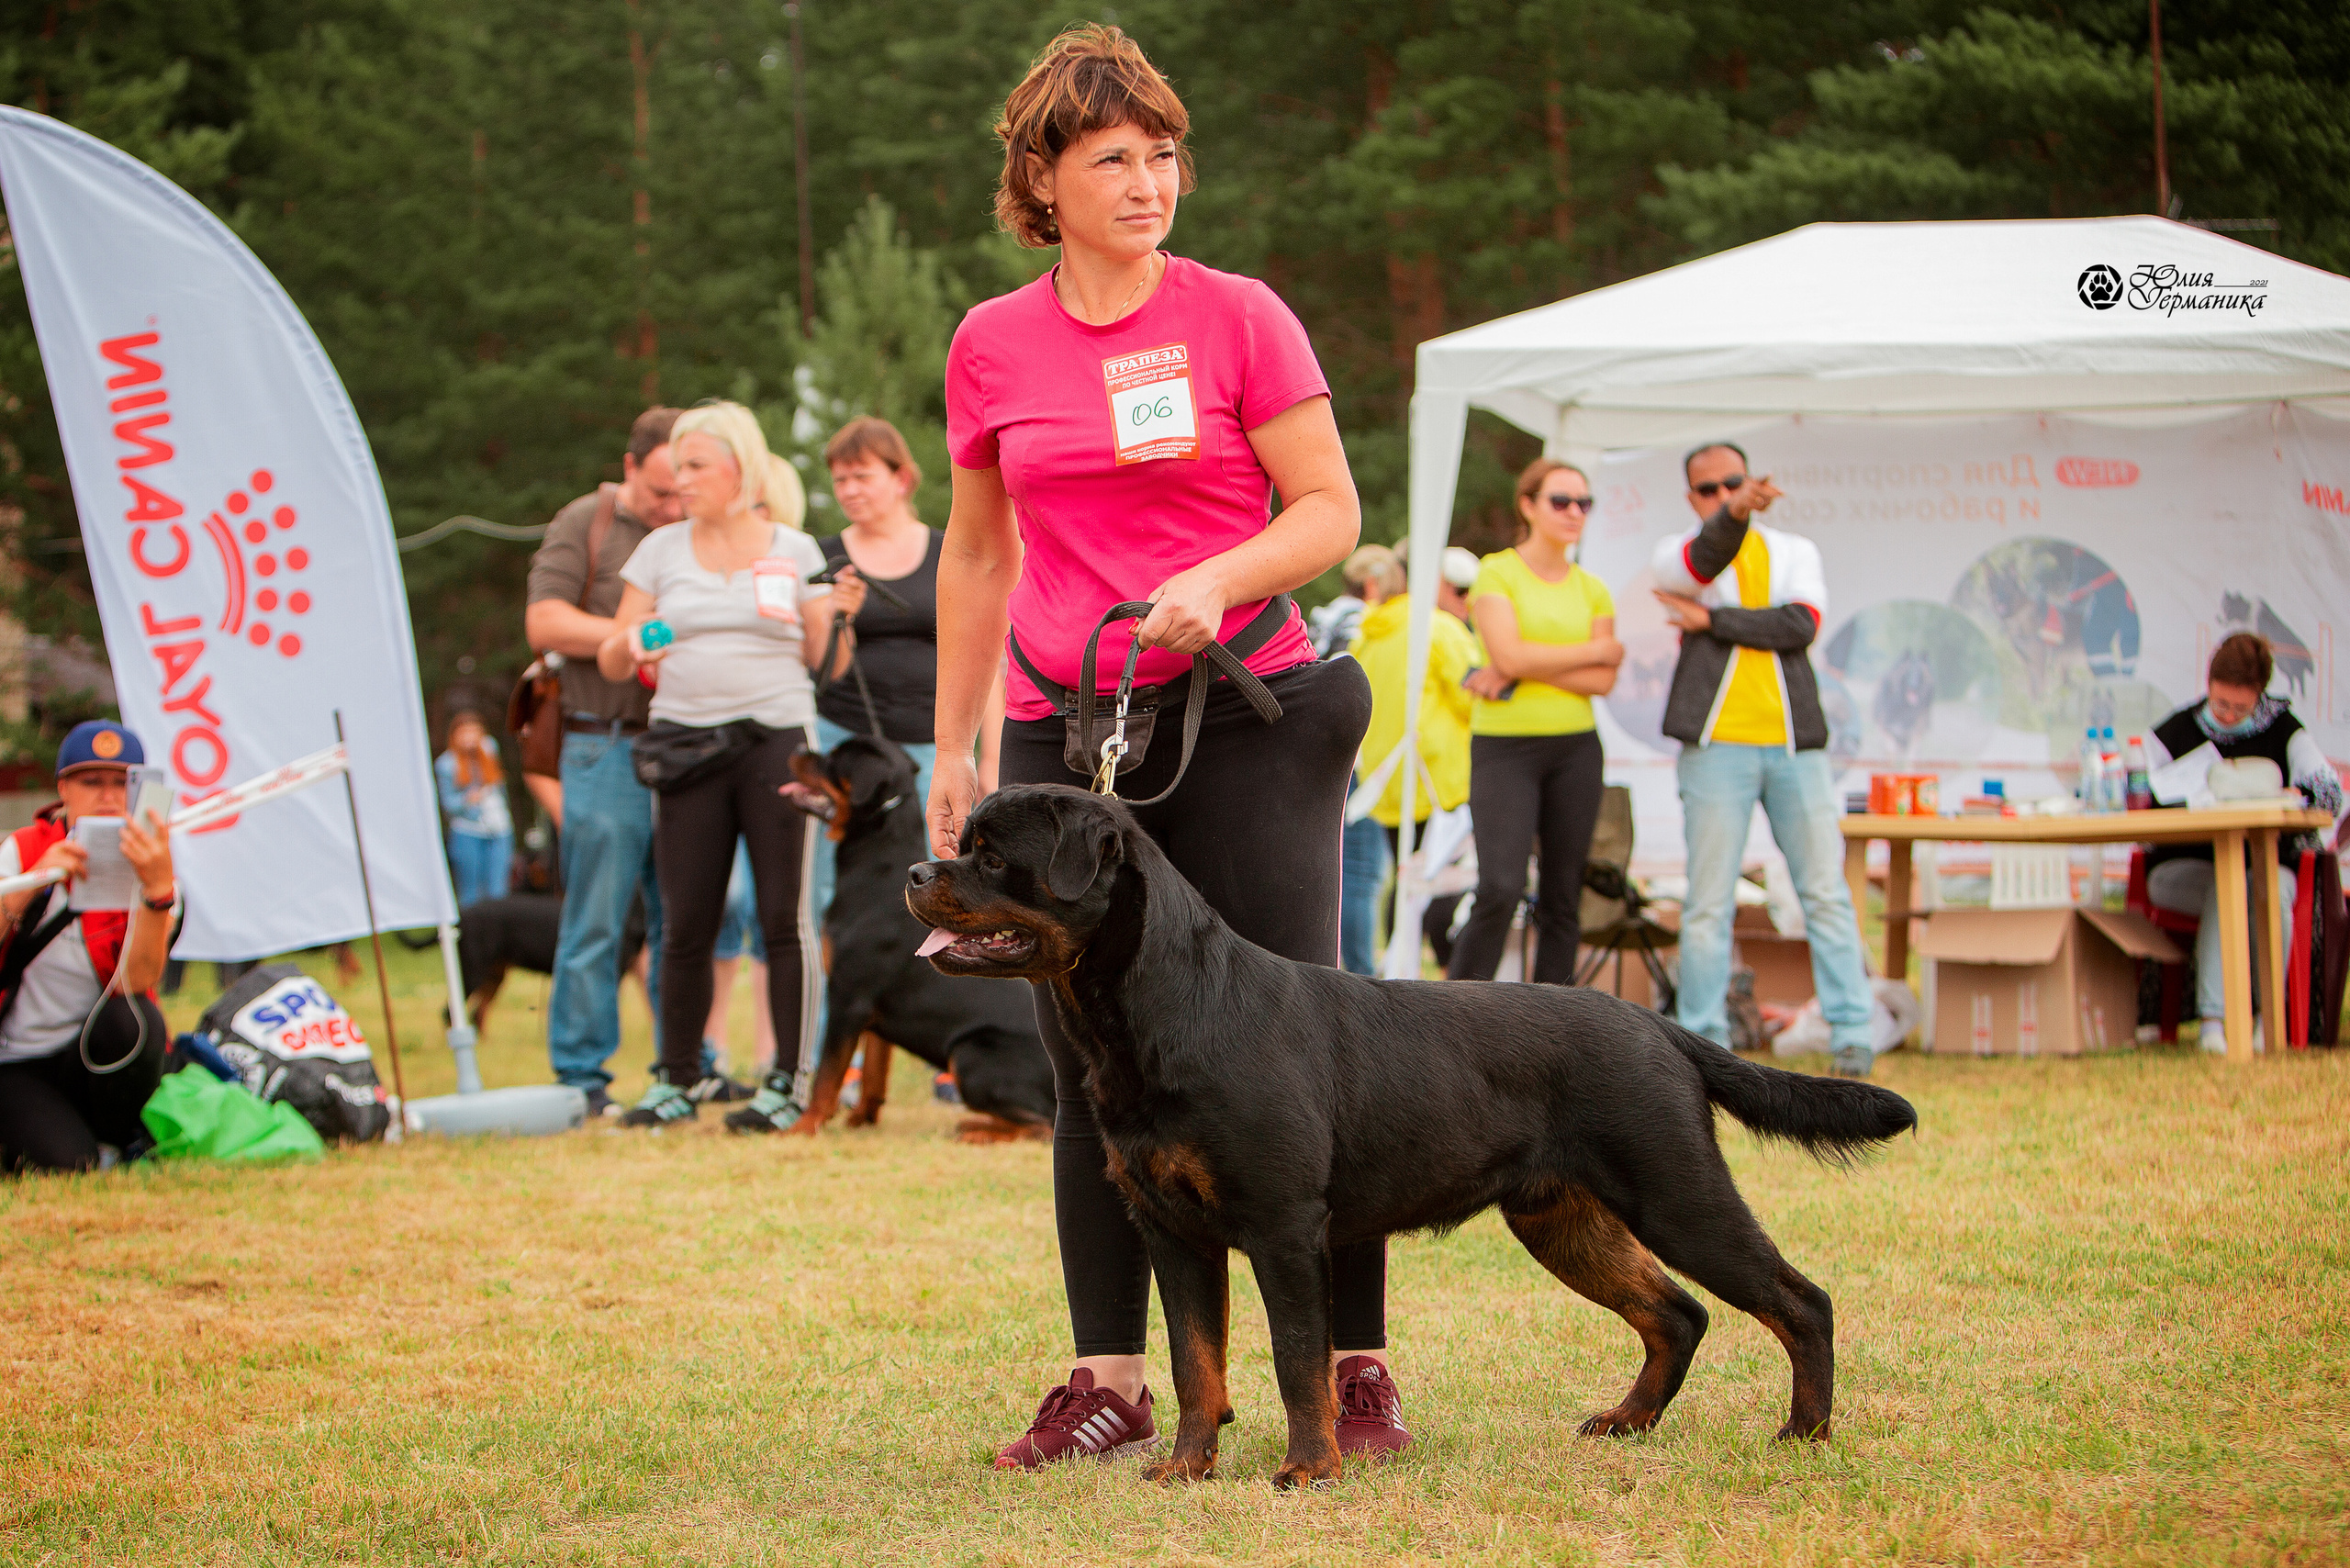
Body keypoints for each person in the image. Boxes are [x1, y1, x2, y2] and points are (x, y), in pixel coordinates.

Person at [930, 25, 1406, 1470]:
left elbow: (1328, 507)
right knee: (1093, 1063)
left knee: (1302, 1047)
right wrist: (954, 748)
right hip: (1064, 731)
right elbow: (974, 552)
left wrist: (1222, 580)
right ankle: (1112, 1381)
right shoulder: (990, 342)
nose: (1150, 183)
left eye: (1164, 155)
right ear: (1044, 181)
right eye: (1113, 159)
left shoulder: (1238, 313)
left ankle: (1358, 1372)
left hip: (1250, 707)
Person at [599, 399, 865, 1131]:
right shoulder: (660, 550)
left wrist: (838, 613)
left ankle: (788, 1081)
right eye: (676, 466)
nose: (679, 480)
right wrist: (634, 650)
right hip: (684, 745)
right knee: (685, 921)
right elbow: (612, 649)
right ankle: (676, 1080)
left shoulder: (795, 548)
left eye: (694, 466)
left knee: (786, 918)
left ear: (739, 468)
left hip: (776, 744)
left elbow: (828, 664)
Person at [1651, 442, 1876, 1077]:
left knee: (1824, 892)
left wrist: (1713, 620)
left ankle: (1852, 1034)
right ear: (1692, 498)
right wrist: (1734, 524)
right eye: (1710, 489)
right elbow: (1704, 558)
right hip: (1715, 748)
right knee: (1708, 902)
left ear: (1750, 481)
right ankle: (1703, 1043)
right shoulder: (1675, 555)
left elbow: (1799, 628)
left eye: (1734, 484)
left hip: (1792, 747)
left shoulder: (1794, 550)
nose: (1724, 496)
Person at [524, 406, 686, 1117]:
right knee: (597, 919)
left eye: (682, 491)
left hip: (684, 748)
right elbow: (544, 621)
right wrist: (630, 637)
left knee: (684, 920)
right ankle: (581, 1077)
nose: (670, 506)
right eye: (658, 492)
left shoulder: (693, 530)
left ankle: (685, 1066)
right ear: (629, 468)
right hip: (605, 743)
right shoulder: (584, 523)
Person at [809, 417, 1002, 923]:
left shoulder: (946, 552)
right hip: (846, 748)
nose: (849, 490)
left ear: (901, 478)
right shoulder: (825, 557)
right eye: (840, 479)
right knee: (832, 892)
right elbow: (823, 668)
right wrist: (839, 615)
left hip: (929, 746)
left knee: (936, 887)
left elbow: (989, 657)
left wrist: (990, 759)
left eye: (862, 476)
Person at [1448, 458, 1622, 983]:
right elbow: (1513, 654)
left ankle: (1556, 1034)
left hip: (1577, 748)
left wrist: (1521, 667)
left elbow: (1603, 681)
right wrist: (1594, 649)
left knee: (1563, 897)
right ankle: (1446, 1021)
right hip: (1505, 750)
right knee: (1500, 888)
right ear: (1528, 505)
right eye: (1560, 501)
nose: (1574, 512)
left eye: (1584, 503)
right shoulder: (1497, 571)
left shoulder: (1593, 587)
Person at [2143, 633, 2345, 1050]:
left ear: (2260, 695)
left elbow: (2330, 792)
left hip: (2270, 866)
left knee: (2259, 888)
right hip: (2183, 870)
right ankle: (2219, 1020)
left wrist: (2298, 795)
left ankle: (2258, 1018)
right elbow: (2146, 808)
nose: (2230, 716)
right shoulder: (2173, 733)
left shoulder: (2285, 731)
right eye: (2221, 705)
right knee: (2228, 881)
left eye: (2241, 707)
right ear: (2208, 685)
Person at [0, 722, 177, 1173]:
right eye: (91, 781)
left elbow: (137, 984)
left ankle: (116, 1138)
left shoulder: (156, 864)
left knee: (139, 1023)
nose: (108, 796)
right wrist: (33, 883)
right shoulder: (21, 850)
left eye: (123, 782)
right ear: (63, 790)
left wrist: (156, 893)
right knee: (68, 1166)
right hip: (17, 1059)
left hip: (89, 1055)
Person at [1344, 545, 1479, 975]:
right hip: (1442, 785)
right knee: (1443, 895)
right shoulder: (1439, 629)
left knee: (1406, 891)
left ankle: (1396, 986)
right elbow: (1477, 701)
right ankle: (1456, 996)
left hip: (1388, 785)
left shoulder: (1365, 635)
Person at [434, 710, 513, 907]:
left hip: (499, 828)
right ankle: (472, 935)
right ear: (455, 735)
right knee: (471, 893)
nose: (470, 737)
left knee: (498, 891)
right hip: (468, 830)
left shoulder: (488, 749)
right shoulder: (446, 763)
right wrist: (468, 799)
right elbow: (448, 805)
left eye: (474, 731)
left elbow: (499, 785)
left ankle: (498, 935)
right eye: (464, 732)